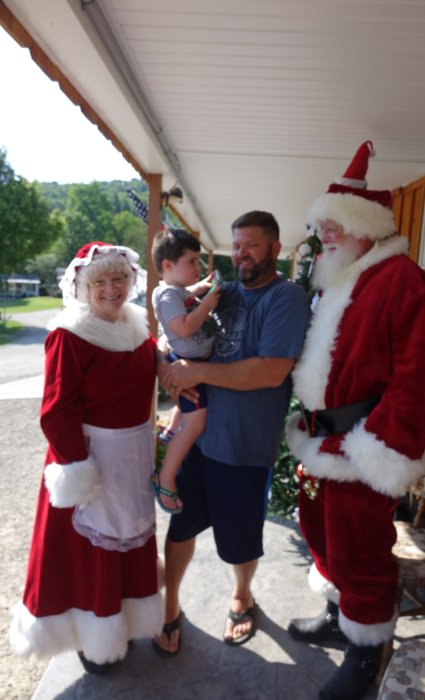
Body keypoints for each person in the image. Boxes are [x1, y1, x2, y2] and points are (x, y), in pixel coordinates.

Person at [285, 141, 425, 700]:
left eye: (336, 225)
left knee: (361, 552)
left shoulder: (401, 281)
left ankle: (367, 650)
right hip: (321, 442)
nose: (324, 234)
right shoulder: (343, 278)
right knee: (323, 539)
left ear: (367, 227)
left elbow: (417, 375)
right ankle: (340, 616)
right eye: (321, 225)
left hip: (360, 447)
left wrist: (380, 448)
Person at [152, 210, 310, 655]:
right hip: (197, 438)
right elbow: (174, 327)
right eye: (236, 245)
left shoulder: (285, 298)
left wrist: (194, 371)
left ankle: (242, 596)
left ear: (275, 249)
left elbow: (270, 372)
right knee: (181, 526)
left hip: (243, 444)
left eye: (252, 245)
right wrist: (168, 364)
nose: (241, 254)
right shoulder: (226, 293)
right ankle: (171, 606)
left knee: (239, 540)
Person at [10, 241, 164, 673]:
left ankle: (125, 622)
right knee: (89, 554)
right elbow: (56, 410)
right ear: (83, 287)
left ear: (131, 281)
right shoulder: (69, 335)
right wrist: (77, 467)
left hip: (130, 459)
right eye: (101, 281)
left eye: (119, 279)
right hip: (89, 463)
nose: (112, 289)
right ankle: (94, 637)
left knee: (127, 544)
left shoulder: (137, 328)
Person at [151, 229, 220, 512]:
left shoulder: (173, 290)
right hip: (189, 366)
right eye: (192, 261)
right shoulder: (168, 296)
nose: (198, 267)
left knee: (188, 411)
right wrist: (207, 305)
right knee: (197, 423)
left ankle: (169, 434)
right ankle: (166, 476)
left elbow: (183, 294)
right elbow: (182, 327)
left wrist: (201, 286)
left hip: (192, 363)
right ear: (168, 265)